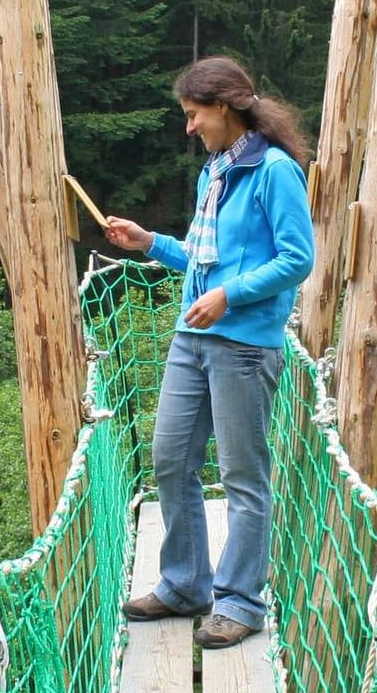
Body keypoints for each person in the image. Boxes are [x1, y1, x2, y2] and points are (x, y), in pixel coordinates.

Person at [104, 56, 315, 650]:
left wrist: (230, 296)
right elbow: (204, 260)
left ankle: (241, 602)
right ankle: (184, 586)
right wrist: (150, 244)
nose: (189, 127)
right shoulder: (217, 172)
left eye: (195, 114)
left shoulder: (275, 172)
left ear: (223, 107)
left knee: (242, 477)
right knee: (170, 460)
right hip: (191, 340)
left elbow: (297, 260)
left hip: (245, 347)